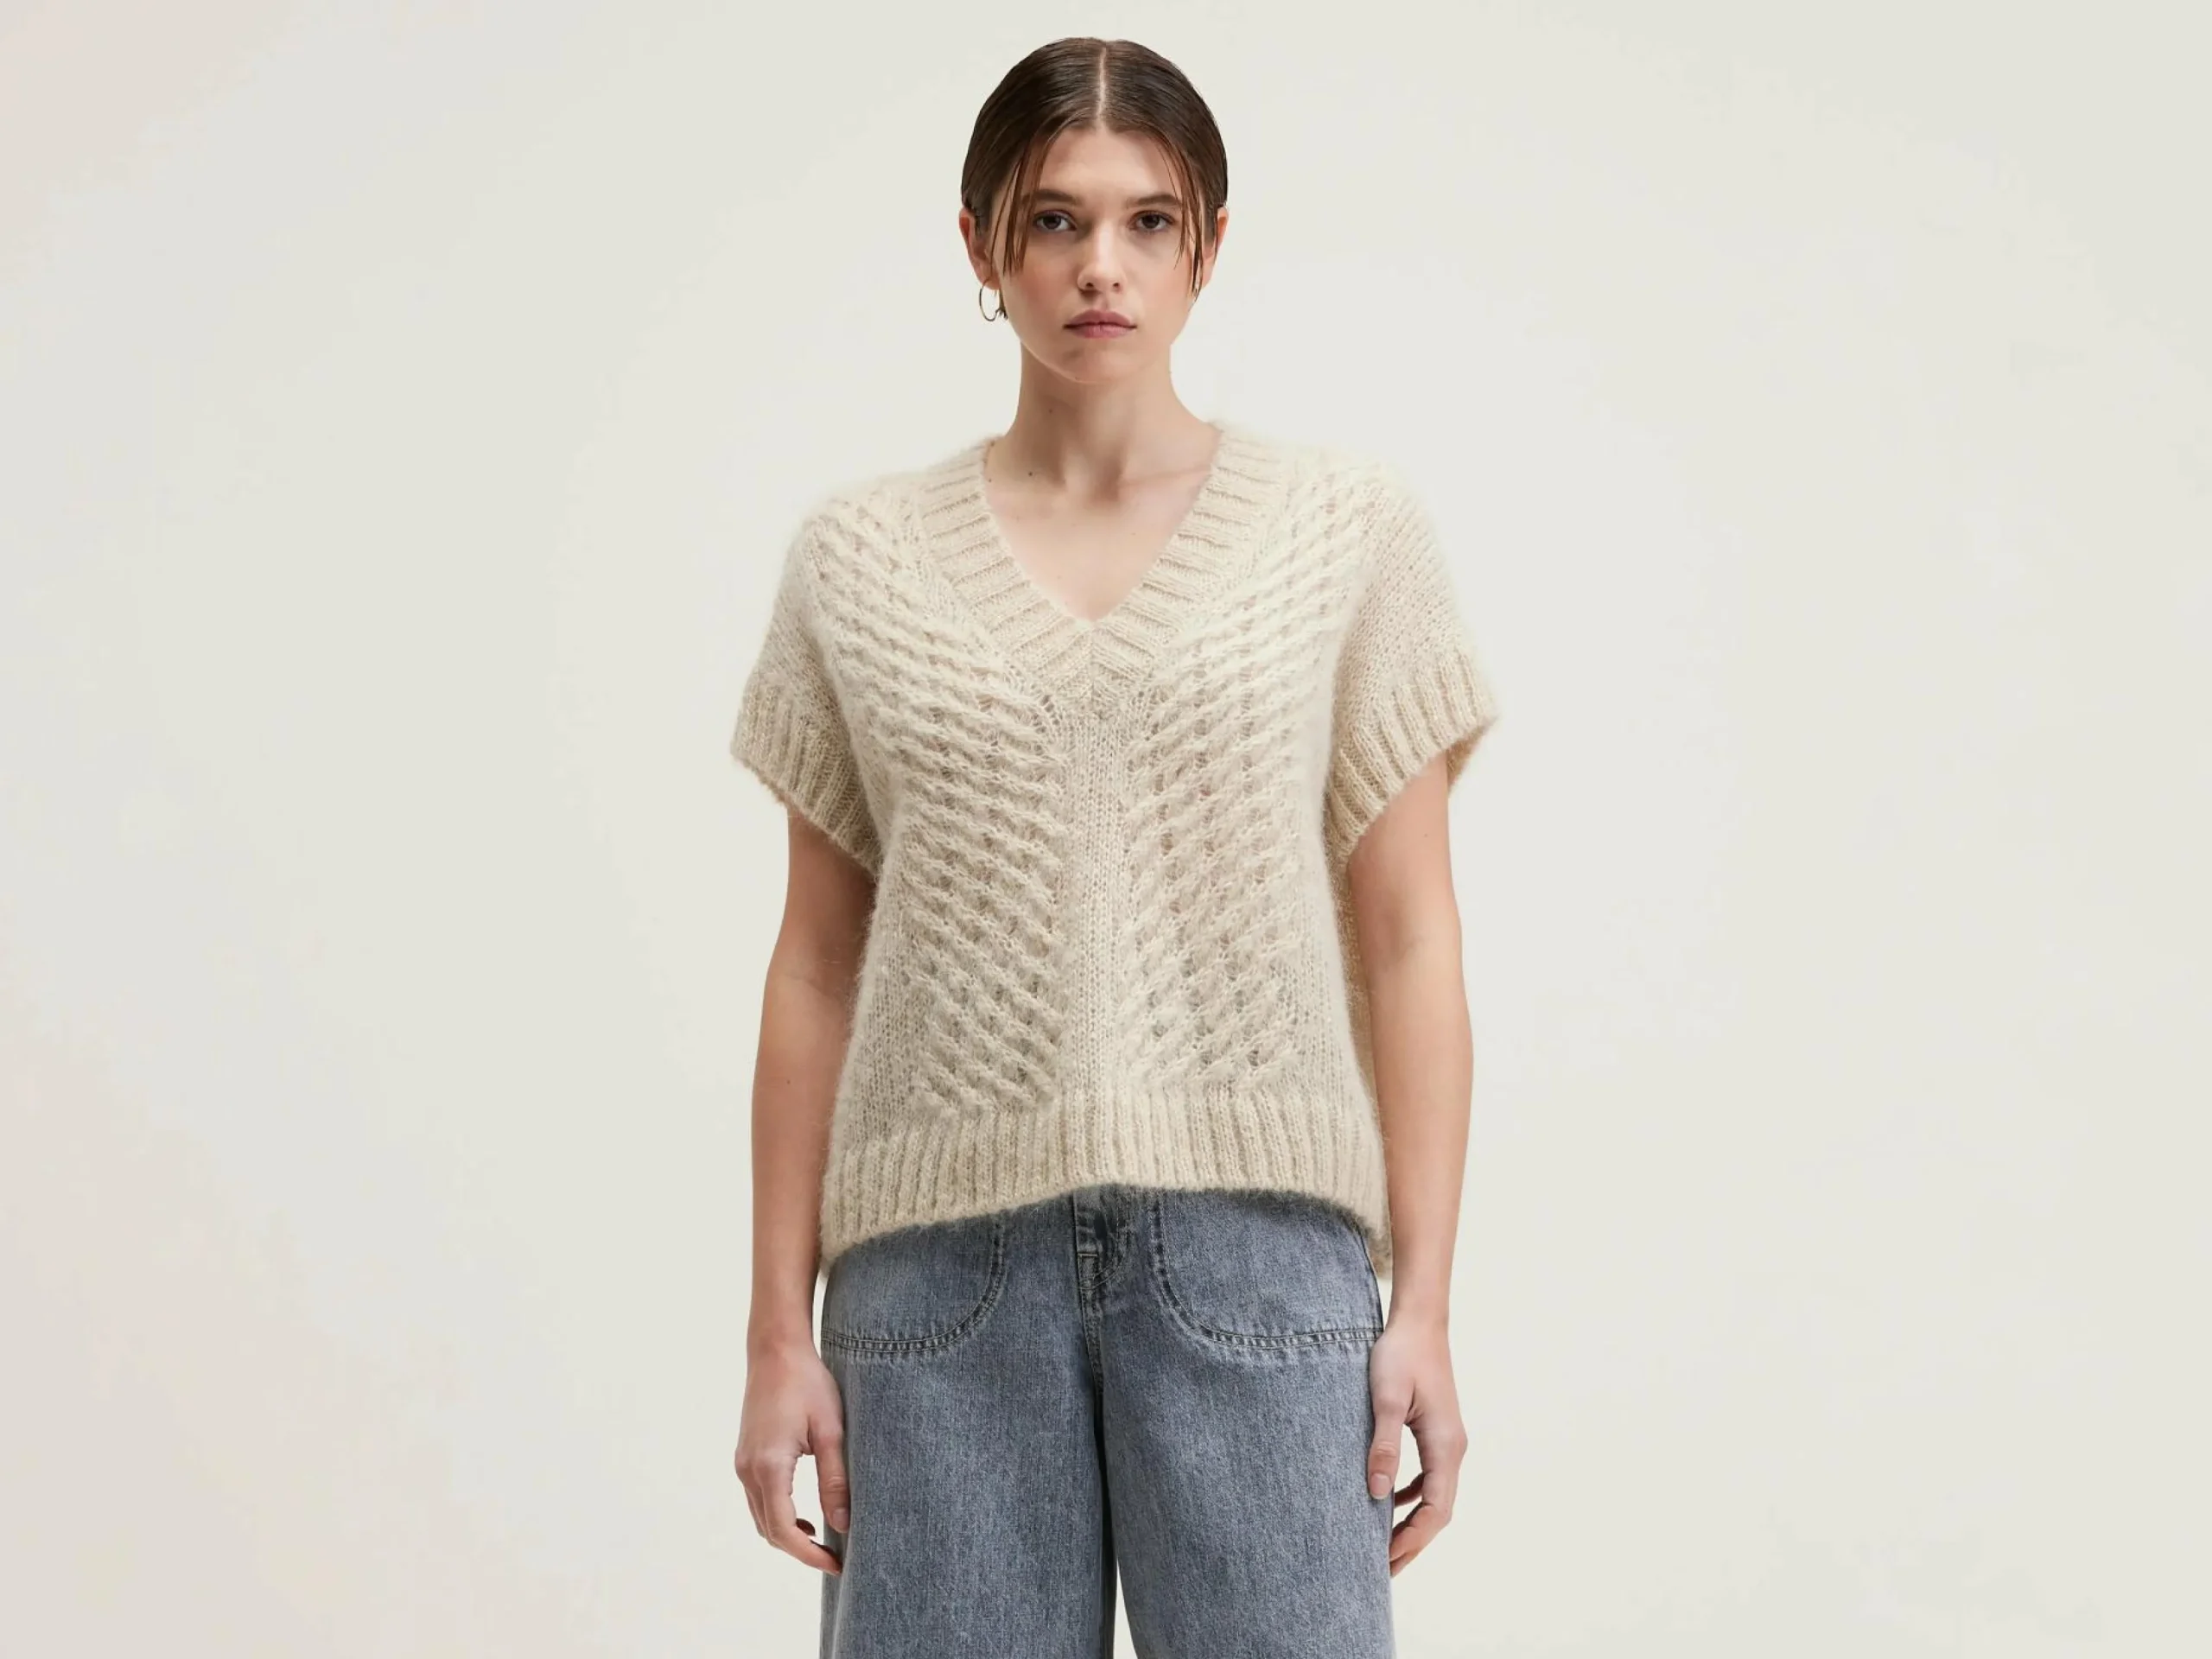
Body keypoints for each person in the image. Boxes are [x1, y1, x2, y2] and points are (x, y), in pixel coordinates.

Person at [731, 35, 1502, 1658]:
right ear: (980, 246)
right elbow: (814, 968)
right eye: (1055, 220)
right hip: (934, 1283)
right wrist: (772, 1331)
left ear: (1208, 243)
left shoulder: (1345, 534)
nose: (1103, 267)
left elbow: (1412, 938)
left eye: (1150, 221)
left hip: (1259, 1259)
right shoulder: (857, 560)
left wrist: (1426, 1303)